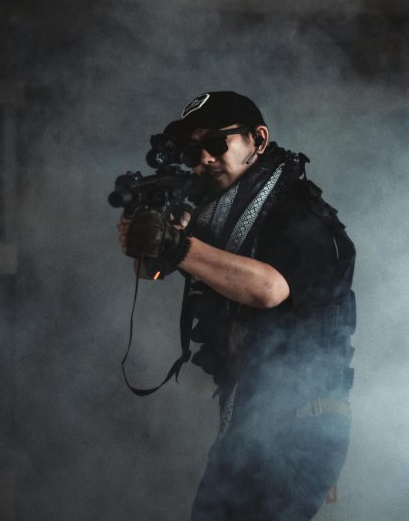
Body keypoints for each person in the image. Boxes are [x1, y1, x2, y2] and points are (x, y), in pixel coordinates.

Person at [118, 91, 357, 520]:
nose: (204, 158)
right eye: (194, 150)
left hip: (297, 426)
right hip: (249, 427)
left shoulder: (299, 211)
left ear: (258, 139)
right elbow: (152, 272)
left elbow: (269, 288)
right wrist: (146, 240)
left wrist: (176, 245)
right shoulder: (216, 213)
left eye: (216, 143)